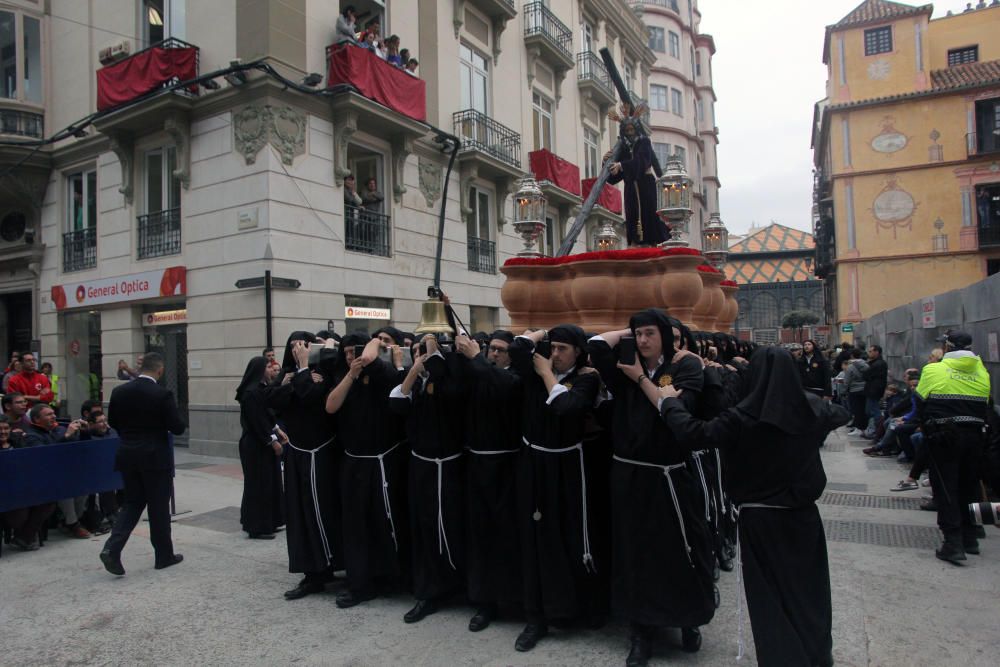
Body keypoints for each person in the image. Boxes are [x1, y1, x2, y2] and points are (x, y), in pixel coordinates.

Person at [659, 347, 850, 667]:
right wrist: (802, 402)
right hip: (803, 517)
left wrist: (669, 403)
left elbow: (695, 433)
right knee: (810, 591)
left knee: (769, 597)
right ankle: (816, 654)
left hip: (761, 518)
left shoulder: (742, 417)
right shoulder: (812, 410)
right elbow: (843, 414)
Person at [589, 310, 715, 665]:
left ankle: (688, 619)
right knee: (635, 555)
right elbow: (595, 344)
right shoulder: (623, 368)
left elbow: (675, 408)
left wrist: (642, 377)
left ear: (664, 335)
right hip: (630, 476)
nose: (642, 340)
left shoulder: (685, 367)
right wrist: (626, 334)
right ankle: (641, 631)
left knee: (683, 549)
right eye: (637, 334)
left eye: (649, 333)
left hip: (669, 476)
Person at [508, 325, 601, 652]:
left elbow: (567, 408)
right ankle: (536, 617)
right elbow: (518, 348)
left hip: (567, 468)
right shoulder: (536, 371)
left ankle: (573, 608)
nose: (556, 354)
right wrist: (541, 333)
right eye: (553, 347)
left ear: (578, 351)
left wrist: (547, 373)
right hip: (534, 465)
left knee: (570, 537)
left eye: (564, 348)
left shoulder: (587, 378)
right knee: (535, 540)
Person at [325, 332, 408, 609]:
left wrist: (371, 347)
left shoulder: (383, 372)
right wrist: (351, 373)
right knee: (355, 525)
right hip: (354, 461)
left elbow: (372, 356)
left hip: (383, 460)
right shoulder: (344, 376)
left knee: (384, 521)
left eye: (355, 351)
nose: (352, 356)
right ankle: (360, 583)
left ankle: (390, 576)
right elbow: (331, 406)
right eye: (347, 352)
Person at [390, 334, 467, 624]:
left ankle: (456, 584)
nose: (420, 354)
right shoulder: (416, 384)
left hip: (448, 466)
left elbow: (450, 395)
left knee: (449, 526)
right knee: (423, 528)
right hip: (421, 466)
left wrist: (434, 347)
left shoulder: (449, 383)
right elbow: (397, 405)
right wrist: (412, 371)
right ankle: (428, 591)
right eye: (417, 350)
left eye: (426, 351)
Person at [267, 332, 344, 600]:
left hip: (321, 453)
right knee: (301, 515)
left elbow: (314, 398)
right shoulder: (290, 374)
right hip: (298, 454)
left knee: (324, 510)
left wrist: (302, 371)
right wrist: (294, 378)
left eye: (302, 346)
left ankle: (333, 564)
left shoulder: (323, 372)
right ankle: (312, 573)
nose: (297, 350)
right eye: (292, 347)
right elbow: (274, 402)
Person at [455, 330, 523, 632]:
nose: (494, 354)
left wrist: (477, 358)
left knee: (507, 534)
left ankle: (514, 598)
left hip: (508, 465)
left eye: (500, 350)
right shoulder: (478, 373)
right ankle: (484, 601)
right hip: (476, 463)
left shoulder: (515, 377)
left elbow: (508, 388)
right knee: (479, 535)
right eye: (490, 349)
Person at [99, 353, 186, 576]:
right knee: (158, 507)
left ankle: (112, 547)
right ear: (160, 370)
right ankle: (163, 555)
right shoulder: (162, 394)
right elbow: (177, 427)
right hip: (155, 457)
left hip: (128, 454)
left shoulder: (119, 391)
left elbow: (113, 422)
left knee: (132, 503)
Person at [914, 331, 991, 564]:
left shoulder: (933, 369)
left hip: (944, 436)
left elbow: (919, 400)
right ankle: (971, 539)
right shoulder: (981, 372)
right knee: (969, 486)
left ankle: (953, 542)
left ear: (947, 347)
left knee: (946, 488)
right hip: (976, 436)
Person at [236, 357, 287, 540]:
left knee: (270, 483)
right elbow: (256, 422)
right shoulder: (250, 393)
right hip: (255, 445)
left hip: (262, 443)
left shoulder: (260, 390)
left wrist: (277, 430)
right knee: (258, 485)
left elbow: (267, 416)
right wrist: (271, 441)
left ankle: (270, 521)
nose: (269, 369)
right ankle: (256, 527)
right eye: (266, 367)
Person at [604, 103, 668, 247]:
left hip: (645, 184)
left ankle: (649, 242)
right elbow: (613, 178)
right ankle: (634, 241)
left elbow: (642, 162)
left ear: (637, 129)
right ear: (623, 131)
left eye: (632, 129)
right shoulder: (623, 147)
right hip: (631, 188)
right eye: (627, 130)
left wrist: (621, 165)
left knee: (648, 214)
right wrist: (607, 162)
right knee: (632, 215)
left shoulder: (644, 142)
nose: (630, 132)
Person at [1, 415, 57, 550]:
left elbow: (29, 463)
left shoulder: (17, 442)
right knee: (20, 512)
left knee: (49, 499)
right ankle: (25, 537)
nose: (3, 432)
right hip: (4, 492)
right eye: (0, 429)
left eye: (6, 428)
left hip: (22, 486)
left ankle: (23, 537)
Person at [862, 345, 888, 435]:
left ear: (877, 352)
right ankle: (874, 429)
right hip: (873, 389)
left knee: (873, 411)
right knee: (870, 410)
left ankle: (877, 430)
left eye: (871, 351)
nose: (869, 353)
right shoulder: (875, 363)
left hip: (874, 390)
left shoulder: (878, 364)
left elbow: (865, 375)